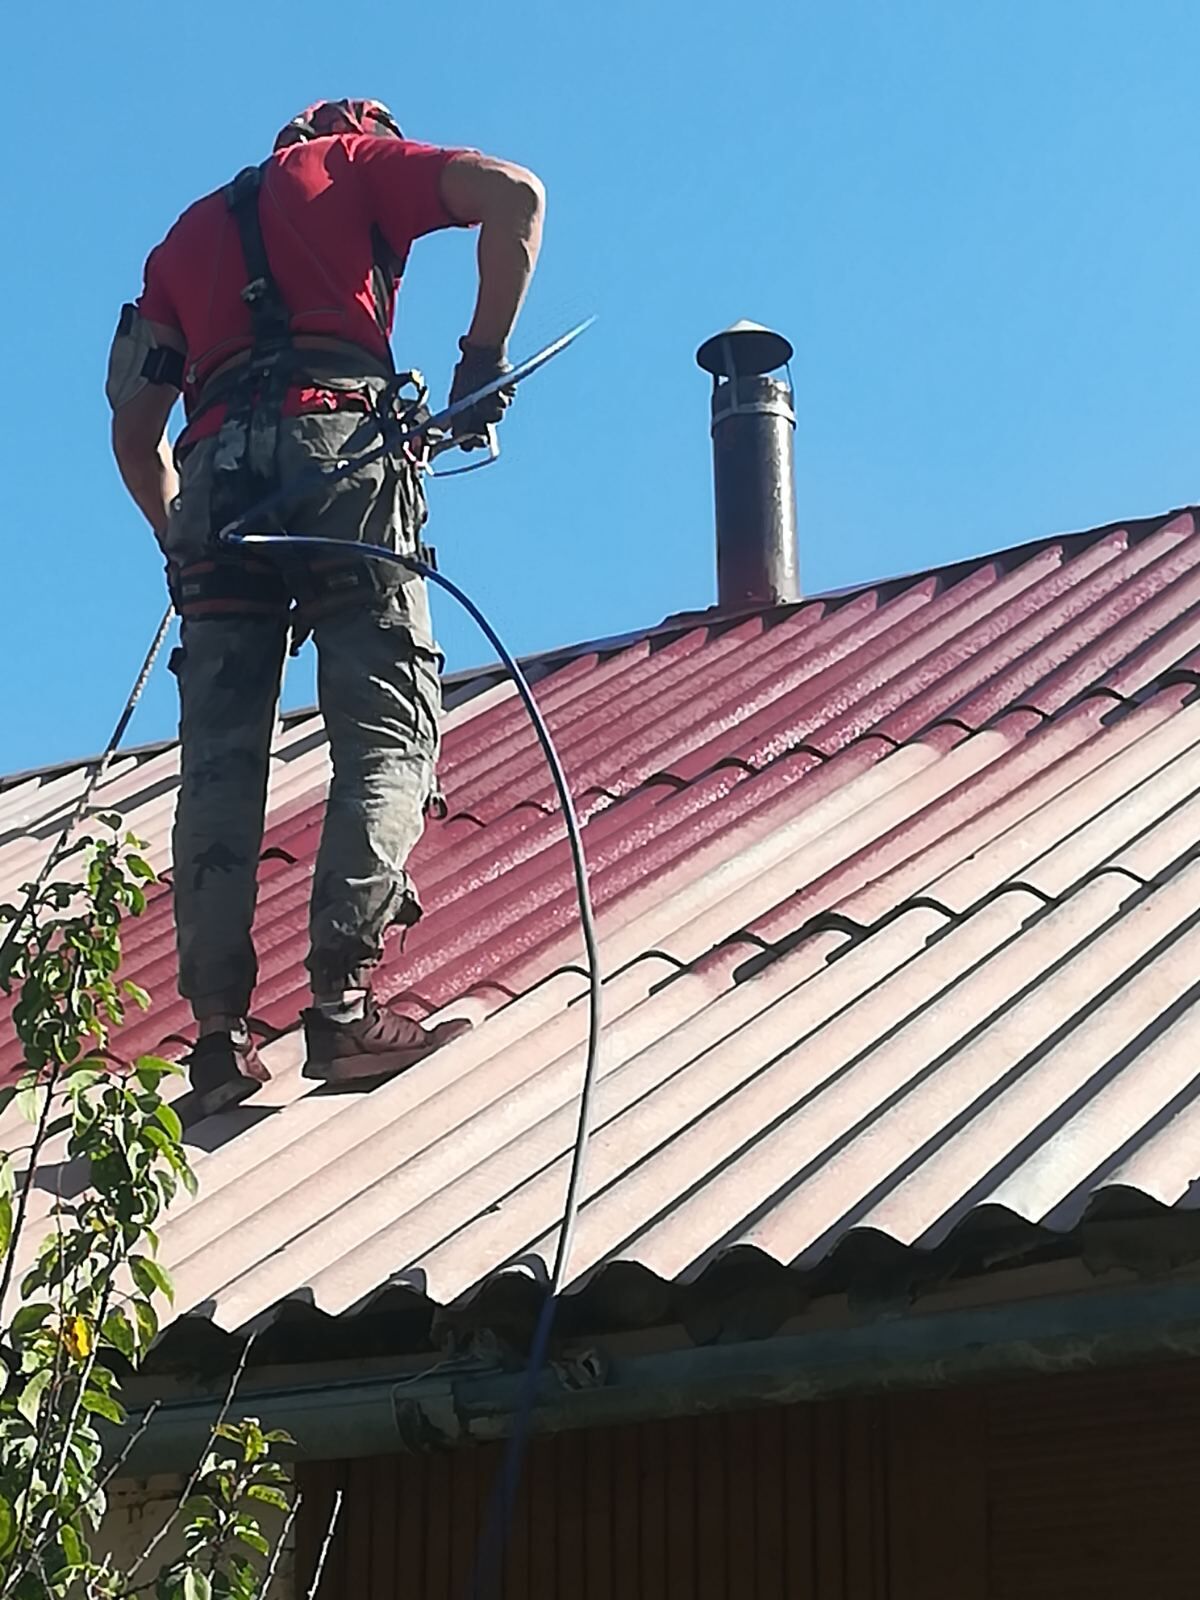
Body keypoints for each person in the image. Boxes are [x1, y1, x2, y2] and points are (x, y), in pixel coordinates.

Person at [106, 98, 545, 1111]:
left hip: (214, 478)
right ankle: (343, 1010)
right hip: (339, 450)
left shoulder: (183, 237)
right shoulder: (360, 168)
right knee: (388, 727)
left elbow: (136, 432)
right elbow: (516, 198)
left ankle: (216, 1042)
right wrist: (480, 365)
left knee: (218, 762)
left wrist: (182, 539)